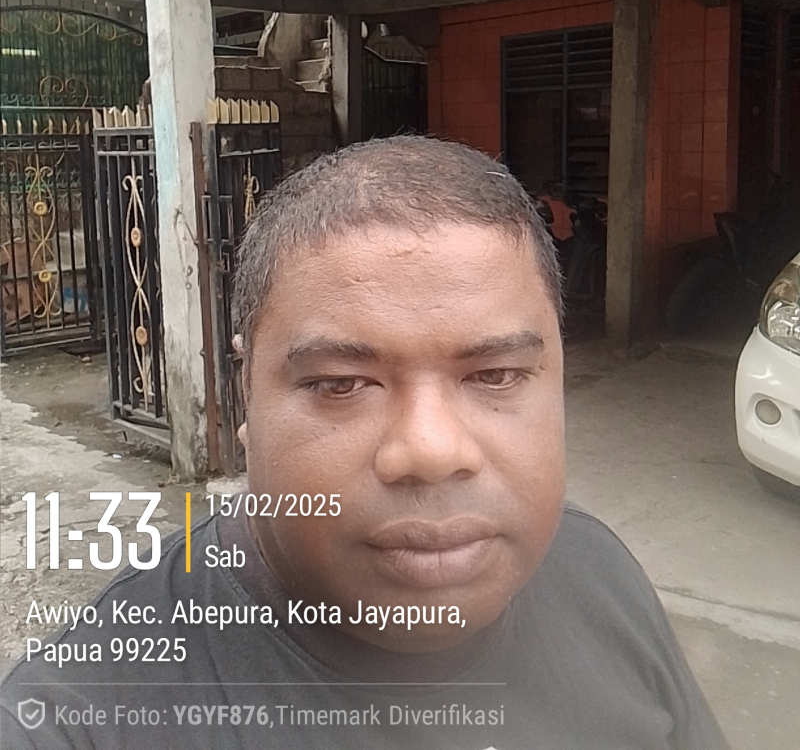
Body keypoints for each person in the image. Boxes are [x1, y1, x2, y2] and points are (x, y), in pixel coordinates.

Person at [2, 137, 729, 748]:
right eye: (342, 383)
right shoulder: (79, 715)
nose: (430, 451)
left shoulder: (596, 570)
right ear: (244, 395)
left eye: (497, 374)